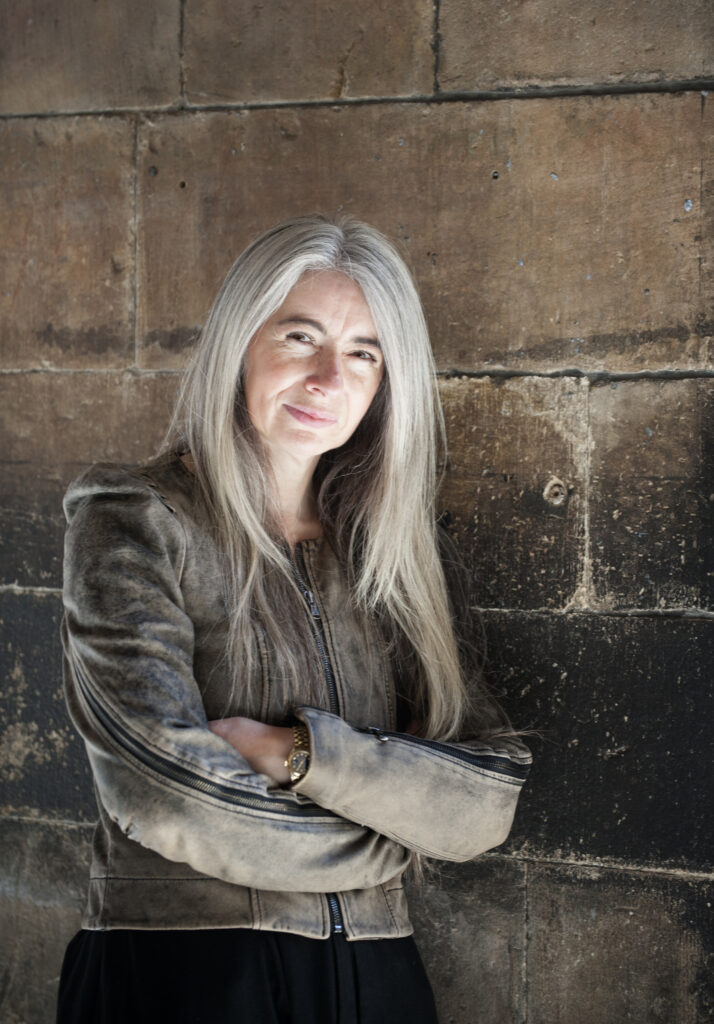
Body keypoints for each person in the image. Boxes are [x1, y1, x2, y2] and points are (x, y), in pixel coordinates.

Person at [57, 214, 531, 1023]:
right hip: (191, 979)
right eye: (299, 336)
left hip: (381, 982)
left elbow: (483, 804)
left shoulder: (387, 554)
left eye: (362, 354)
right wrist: (391, 839)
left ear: (386, 383)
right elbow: (166, 797)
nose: (328, 378)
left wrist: (296, 754)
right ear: (240, 341)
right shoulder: (136, 517)